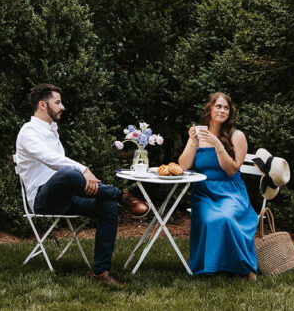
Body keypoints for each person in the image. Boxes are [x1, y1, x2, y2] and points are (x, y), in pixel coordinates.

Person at [15, 83, 149, 287]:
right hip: (43, 199)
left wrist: (82, 174)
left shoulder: (52, 129)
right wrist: (84, 170)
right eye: (57, 102)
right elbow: (50, 159)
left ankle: (101, 272)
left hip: (66, 197)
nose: (62, 107)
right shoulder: (28, 132)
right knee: (68, 173)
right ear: (43, 104)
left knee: (108, 207)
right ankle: (120, 194)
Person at [178, 91, 259, 280]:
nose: (223, 110)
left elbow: (232, 169)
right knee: (209, 219)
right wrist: (192, 140)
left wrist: (217, 144)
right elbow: (183, 166)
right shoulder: (199, 134)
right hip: (204, 192)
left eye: (226, 107)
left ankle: (243, 268)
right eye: (219, 106)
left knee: (226, 218)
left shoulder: (236, 136)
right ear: (210, 109)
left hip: (231, 191)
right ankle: (212, 267)